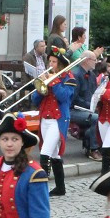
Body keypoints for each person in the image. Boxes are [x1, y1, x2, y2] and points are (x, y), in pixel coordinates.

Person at [32, 46, 76, 196]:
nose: (50, 64)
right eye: (49, 61)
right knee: (55, 154)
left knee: (45, 153)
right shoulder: (49, 76)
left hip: (59, 120)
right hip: (45, 118)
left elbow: (64, 97)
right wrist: (40, 87)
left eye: (54, 62)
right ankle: (60, 187)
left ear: (61, 64)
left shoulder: (69, 78)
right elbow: (35, 100)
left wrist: (53, 82)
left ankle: (41, 190)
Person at [71, 51, 101, 160]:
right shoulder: (76, 74)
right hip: (74, 109)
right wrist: (90, 106)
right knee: (96, 118)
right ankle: (93, 149)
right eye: (94, 60)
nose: (96, 62)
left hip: (87, 108)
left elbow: (94, 93)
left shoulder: (92, 74)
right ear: (87, 60)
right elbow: (74, 98)